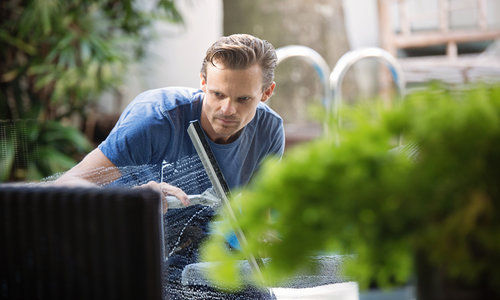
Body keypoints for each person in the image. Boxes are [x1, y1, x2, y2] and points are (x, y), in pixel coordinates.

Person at [55, 34, 285, 213]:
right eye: (217, 94)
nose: (227, 110)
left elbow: (258, 216)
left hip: (196, 258)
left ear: (266, 92)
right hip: (121, 239)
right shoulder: (155, 121)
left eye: (243, 99)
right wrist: (131, 198)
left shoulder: (268, 130)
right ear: (203, 83)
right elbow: (65, 185)